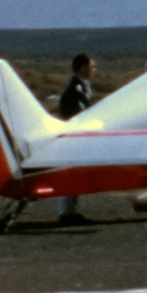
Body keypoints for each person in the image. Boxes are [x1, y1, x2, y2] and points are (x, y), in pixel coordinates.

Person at [56, 53, 95, 224]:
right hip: (72, 137)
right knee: (71, 172)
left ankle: (69, 211)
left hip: (75, 136)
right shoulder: (75, 88)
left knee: (75, 173)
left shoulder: (82, 86)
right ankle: (66, 213)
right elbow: (77, 114)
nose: (94, 70)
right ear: (83, 67)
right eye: (91, 66)